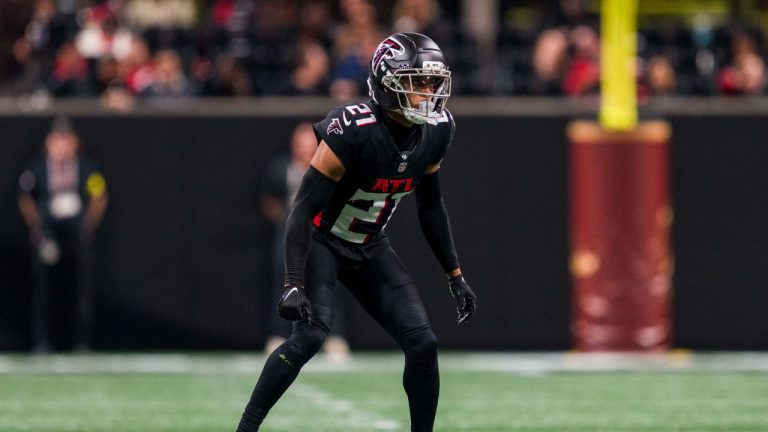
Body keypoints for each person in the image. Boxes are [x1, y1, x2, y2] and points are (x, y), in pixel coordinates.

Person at [236, 32, 476, 432]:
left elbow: (431, 205)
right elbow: (304, 207)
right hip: (323, 242)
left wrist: (455, 275)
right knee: (309, 337)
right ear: (387, 81)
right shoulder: (352, 127)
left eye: (432, 82)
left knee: (423, 344)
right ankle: (246, 428)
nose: (428, 93)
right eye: (417, 81)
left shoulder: (437, 129)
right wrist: (293, 281)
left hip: (369, 245)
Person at [18, 116, 108, 352]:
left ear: (75, 142)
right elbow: (25, 197)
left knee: (80, 290)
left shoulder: (86, 167)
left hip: (75, 232)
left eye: (66, 139)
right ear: (49, 142)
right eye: (57, 139)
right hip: (49, 232)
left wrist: (88, 224)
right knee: (44, 291)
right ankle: (42, 341)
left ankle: (81, 342)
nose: (62, 145)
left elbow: (99, 195)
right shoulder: (37, 167)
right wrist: (38, 227)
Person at [260, 121, 350, 358]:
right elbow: (269, 201)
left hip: (322, 232)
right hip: (289, 234)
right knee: (285, 282)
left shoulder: (329, 168)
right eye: (301, 144)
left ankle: (335, 337)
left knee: (330, 282)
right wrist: (287, 222)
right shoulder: (281, 168)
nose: (305, 149)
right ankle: (279, 335)